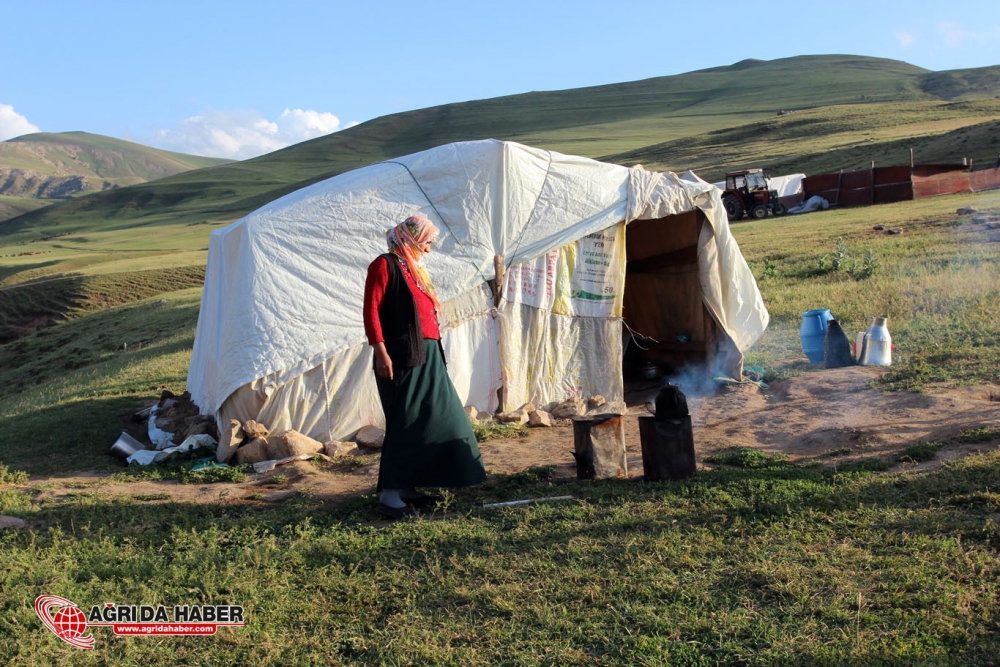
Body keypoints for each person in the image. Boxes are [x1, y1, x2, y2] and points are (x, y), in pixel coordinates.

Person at [362, 214, 487, 518]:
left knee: (436, 416)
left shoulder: (413, 268)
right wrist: (381, 352)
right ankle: (391, 496)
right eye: (428, 241)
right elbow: (371, 310)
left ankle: (408, 486)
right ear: (413, 237)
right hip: (400, 354)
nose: (430, 249)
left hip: (428, 352)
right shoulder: (385, 264)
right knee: (406, 420)